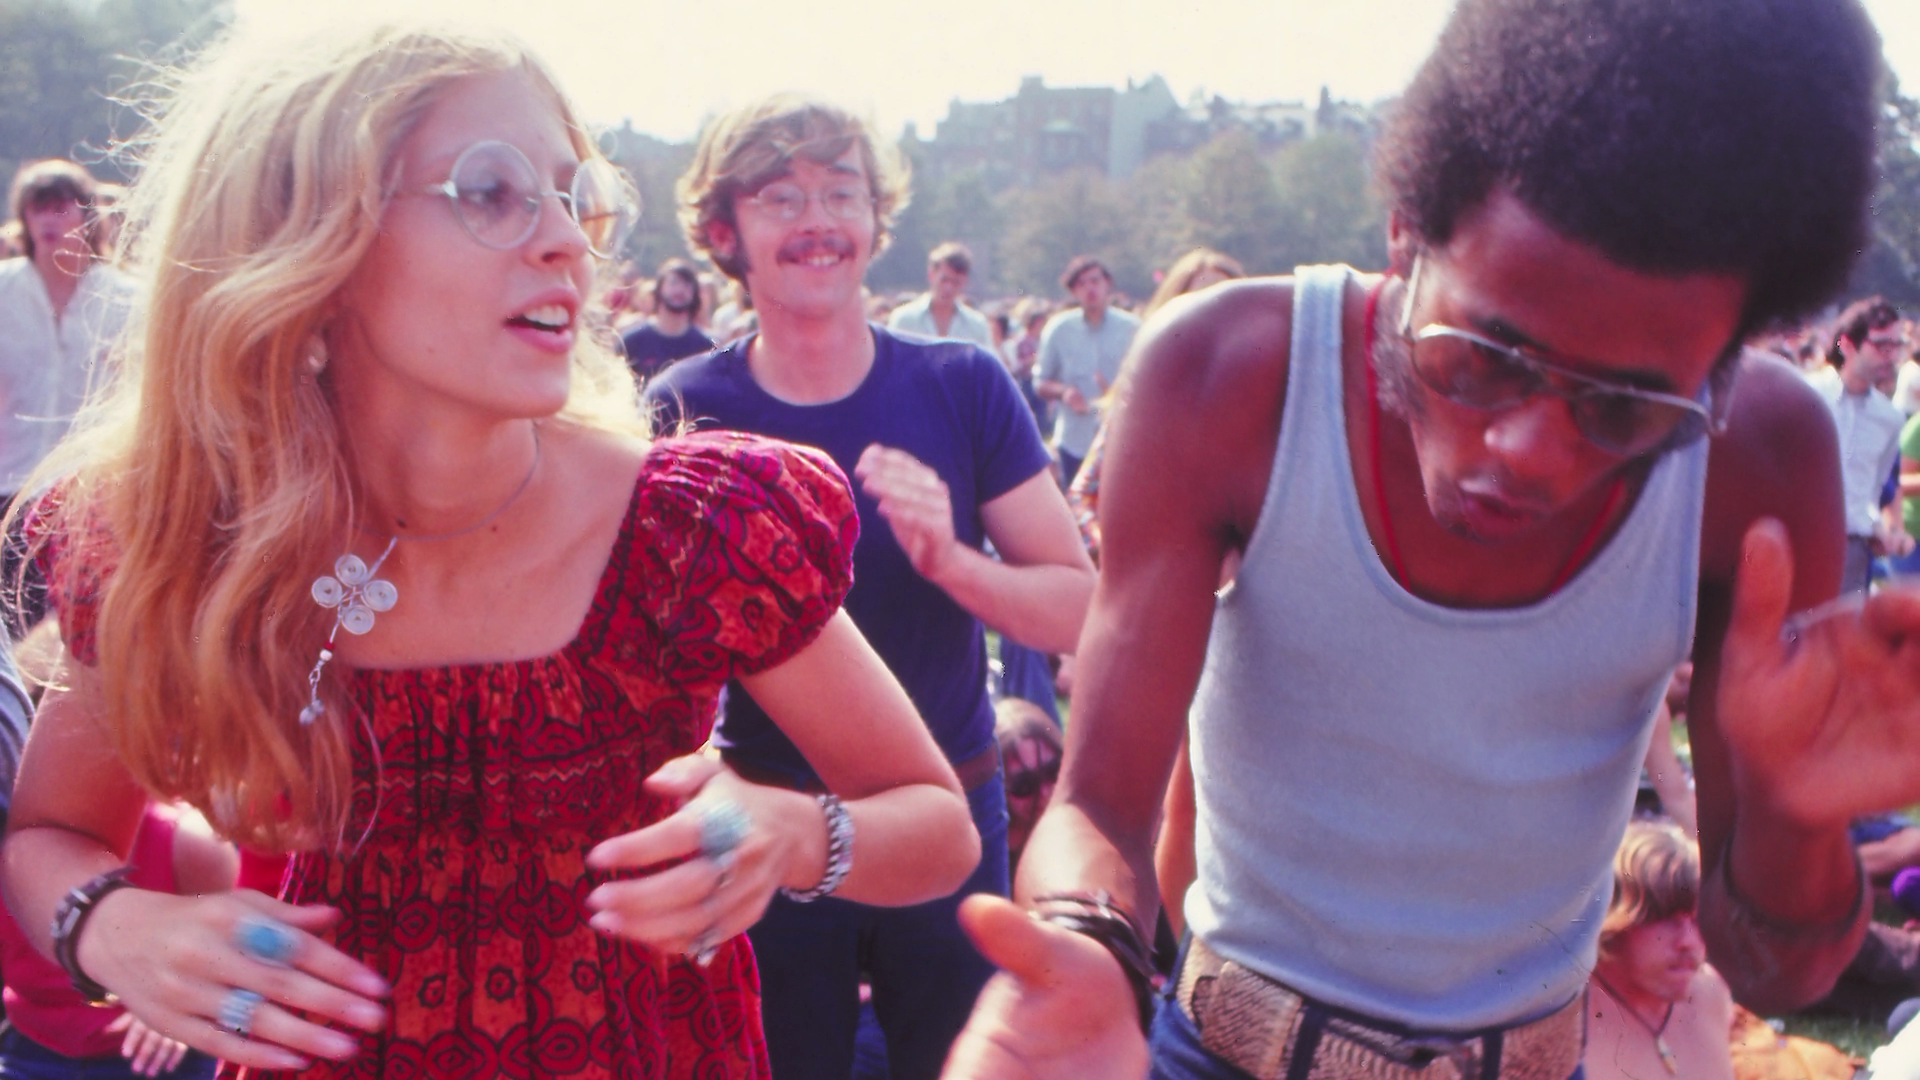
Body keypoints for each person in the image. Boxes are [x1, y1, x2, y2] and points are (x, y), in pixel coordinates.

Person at [938, 0, 1912, 1077]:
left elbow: (1774, 969)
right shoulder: (1230, 377)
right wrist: (1085, 951)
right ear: (1402, 234)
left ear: (1726, 359)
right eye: (1487, 353)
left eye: (1627, 405)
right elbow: (1100, 806)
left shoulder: (1757, 453)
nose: (1529, 449)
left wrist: (1792, 818)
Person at [0, 22, 981, 1079]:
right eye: (493, 191)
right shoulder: (199, 538)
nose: (567, 238)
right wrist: (112, 927)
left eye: (575, 194)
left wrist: (789, 834)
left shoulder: (687, 527)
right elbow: (48, 833)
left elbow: (936, 825)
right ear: (308, 236)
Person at [646, 94, 1093, 1080]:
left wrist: (955, 563)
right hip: (765, 834)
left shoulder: (962, 384)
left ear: (876, 222)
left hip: (950, 823)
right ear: (725, 233)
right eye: (781, 195)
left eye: (841, 191)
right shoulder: (686, 407)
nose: (817, 219)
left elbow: (1077, 604)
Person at [0, 160, 138, 631]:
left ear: (87, 218)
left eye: (60, 208)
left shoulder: (127, 300)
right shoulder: (3, 291)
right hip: (8, 493)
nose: (47, 221)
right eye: (37, 209)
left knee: (73, 647)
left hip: (89, 501)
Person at [0, 803, 235, 1079]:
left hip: (156, 1054)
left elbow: (230, 963)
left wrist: (184, 1007)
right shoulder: (14, 842)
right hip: (34, 1042)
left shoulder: (190, 841)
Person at [1585, 822, 1734, 1080]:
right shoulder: (1564, 1014)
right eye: (1665, 918)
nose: (1688, 941)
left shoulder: (1709, 992)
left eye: (1700, 919)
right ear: (1613, 919)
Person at [1805, 298, 1910, 593]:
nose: (1890, 356)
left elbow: (1878, 490)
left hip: (1854, 551)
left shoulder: (1889, 419)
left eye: (1896, 345)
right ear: (1847, 345)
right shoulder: (1808, 395)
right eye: (1881, 346)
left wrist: (1887, 531)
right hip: (1802, 542)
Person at [1033, 256, 1138, 486]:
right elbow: (1040, 382)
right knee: (1074, 513)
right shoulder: (1059, 329)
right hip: (1074, 442)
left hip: (1120, 442)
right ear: (1073, 292)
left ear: (1107, 283)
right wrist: (1065, 392)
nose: (1090, 288)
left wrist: (1116, 392)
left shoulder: (1132, 327)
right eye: (1081, 284)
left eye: (1095, 281)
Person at [885, 242, 996, 351]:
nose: (949, 288)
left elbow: (986, 367)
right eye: (944, 280)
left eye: (955, 282)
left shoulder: (977, 325)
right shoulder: (904, 319)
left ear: (965, 282)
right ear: (931, 275)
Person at [619, 256, 714, 382]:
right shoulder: (632, 342)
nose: (680, 290)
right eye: (673, 283)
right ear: (659, 288)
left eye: (687, 284)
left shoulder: (705, 346)